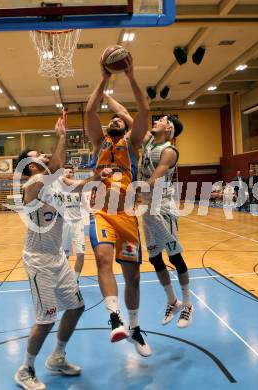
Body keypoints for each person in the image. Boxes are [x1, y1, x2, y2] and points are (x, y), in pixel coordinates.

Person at [15, 118, 111, 390]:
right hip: (37, 260)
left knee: (76, 307)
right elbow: (55, 166)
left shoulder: (56, 182)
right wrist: (61, 136)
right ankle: (26, 369)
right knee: (46, 319)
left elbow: (78, 186)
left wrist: (96, 176)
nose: (45, 156)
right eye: (39, 155)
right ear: (31, 166)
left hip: (56, 256)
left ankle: (57, 357)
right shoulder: (33, 184)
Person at [104, 94, 194, 327]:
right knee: (155, 259)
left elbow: (156, 176)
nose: (156, 121)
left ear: (169, 128)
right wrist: (105, 93)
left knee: (174, 255)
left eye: (161, 119)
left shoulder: (169, 150)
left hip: (162, 207)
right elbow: (123, 111)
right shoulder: (148, 141)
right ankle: (172, 301)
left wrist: (136, 188)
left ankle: (187, 304)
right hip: (146, 207)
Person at [86, 52, 152, 357]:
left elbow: (143, 109)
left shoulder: (133, 143)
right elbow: (89, 109)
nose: (113, 120)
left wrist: (131, 75)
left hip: (127, 214)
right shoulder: (99, 142)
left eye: (118, 120)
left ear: (125, 128)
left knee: (133, 277)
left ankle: (135, 327)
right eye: (110, 119)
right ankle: (115, 318)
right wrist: (104, 77)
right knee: (102, 259)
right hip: (101, 210)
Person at [62, 166, 86, 281]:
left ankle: (75, 280)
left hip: (78, 223)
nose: (68, 173)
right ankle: (65, 279)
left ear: (73, 174)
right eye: (66, 171)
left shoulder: (79, 189)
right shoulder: (59, 189)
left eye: (71, 171)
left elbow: (87, 206)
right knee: (65, 256)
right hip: (65, 224)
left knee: (81, 254)